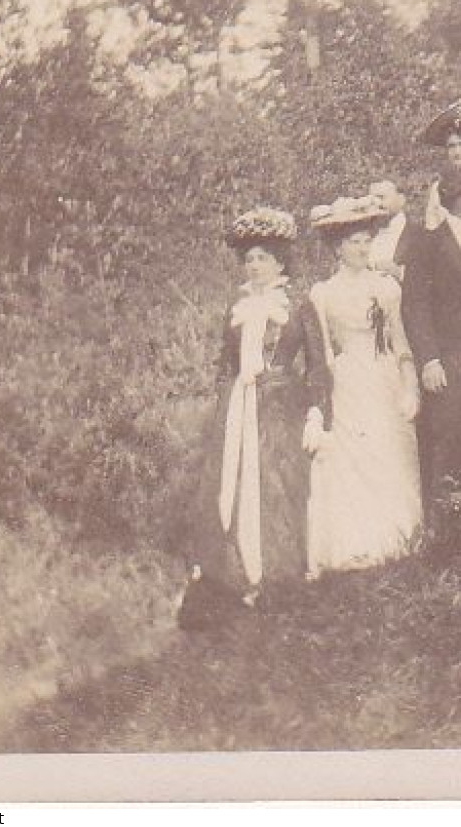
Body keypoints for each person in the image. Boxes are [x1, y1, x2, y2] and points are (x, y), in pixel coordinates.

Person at [181, 207, 331, 621]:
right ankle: (233, 574)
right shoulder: (237, 308)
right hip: (239, 407)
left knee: (278, 485)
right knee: (232, 484)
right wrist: (223, 401)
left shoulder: (297, 305)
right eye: (249, 259)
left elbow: (318, 364)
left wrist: (318, 412)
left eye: (263, 257)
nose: (255, 266)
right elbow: (224, 364)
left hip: (281, 405)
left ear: (281, 261)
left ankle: (279, 574)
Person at [304, 194, 422, 574]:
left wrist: (410, 386)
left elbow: (400, 341)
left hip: (383, 374)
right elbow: (322, 353)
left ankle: (398, 535)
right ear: (338, 248)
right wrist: (321, 404)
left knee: (389, 447)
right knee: (352, 458)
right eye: (354, 242)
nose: (362, 248)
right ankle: (359, 539)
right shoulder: (322, 293)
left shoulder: (386, 287)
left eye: (366, 241)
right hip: (347, 380)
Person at [399, 93, 461, 525]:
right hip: (450, 350)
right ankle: (444, 527)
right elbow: (416, 302)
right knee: (448, 434)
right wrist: (429, 358)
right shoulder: (432, 237)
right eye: (452, 147)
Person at [366, 179, 408, 280]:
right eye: (372, 200)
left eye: (381, 197)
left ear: (401, 200)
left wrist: (399, 273)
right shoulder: (362, 233)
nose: (377, 204)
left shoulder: (421, 234)